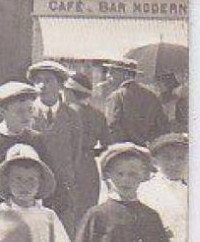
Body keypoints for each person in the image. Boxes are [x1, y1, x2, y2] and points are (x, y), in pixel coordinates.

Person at [0, 81, 70, 240]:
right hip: (0, 225)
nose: (26, 116)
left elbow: (53, 183)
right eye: (19, 111)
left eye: (30, 110)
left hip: (31, 221)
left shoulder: (35, 139)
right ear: (4, 112)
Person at [28, 60, 84, 221]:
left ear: (60, 85)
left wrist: (69, 181)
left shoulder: (72, 116)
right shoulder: (27, 113)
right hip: (33, 185)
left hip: (63, 187)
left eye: (48, 80)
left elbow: (76, 153)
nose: (42, 85)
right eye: (38, 81)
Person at [64, 71, 107, 232]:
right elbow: (106, 145)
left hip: (69, 164)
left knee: (68, 213)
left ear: (69, 92)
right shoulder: (98, 115)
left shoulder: (66, 113)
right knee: (87, 212)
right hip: (89, 166)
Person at [102, 58, 169, 146]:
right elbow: (162, 125)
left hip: (125, 152)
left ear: (126, 74)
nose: (108, 76)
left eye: (112, 72)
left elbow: (112, 127)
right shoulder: (151, 95)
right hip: (148, 151)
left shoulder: (116, 97)